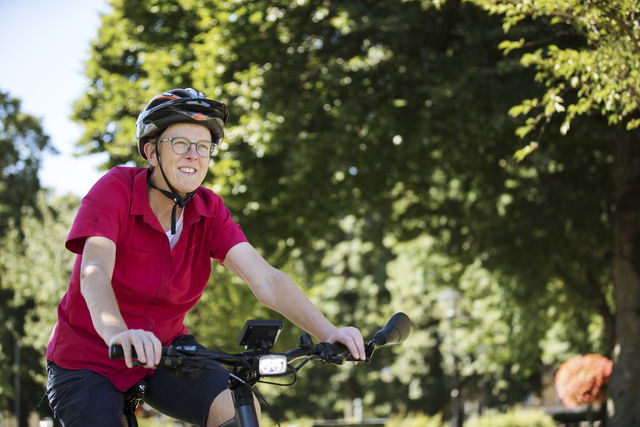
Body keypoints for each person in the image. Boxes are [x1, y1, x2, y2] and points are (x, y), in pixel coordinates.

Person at [45, 88, 365, 427]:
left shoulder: (209, 210)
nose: (194, 155)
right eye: (181, 143)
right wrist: (118, 334)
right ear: (151, 152)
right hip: (90, 357)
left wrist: (328, 332)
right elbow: (94, 271)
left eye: (203, 147)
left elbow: (267, 279)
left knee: (239, 408)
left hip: (166, 353)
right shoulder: (115, 190)